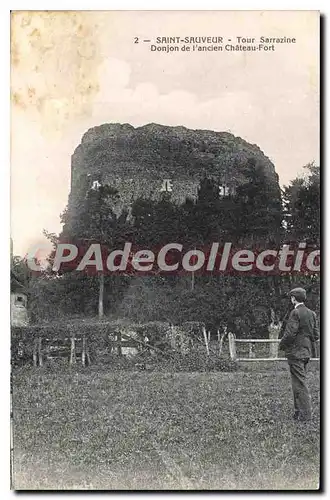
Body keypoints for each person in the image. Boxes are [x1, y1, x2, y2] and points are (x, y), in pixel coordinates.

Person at [279, 287, 319, 421]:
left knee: (299, 383)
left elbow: (290, 334)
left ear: (293, 299)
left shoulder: (295, 313)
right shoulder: (312, 313)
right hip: (307, 352)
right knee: (297, 382)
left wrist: (282, 345)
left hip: (295, 352)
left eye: (291, 298)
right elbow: (316, 335)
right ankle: (298, 413)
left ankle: (306, 416)